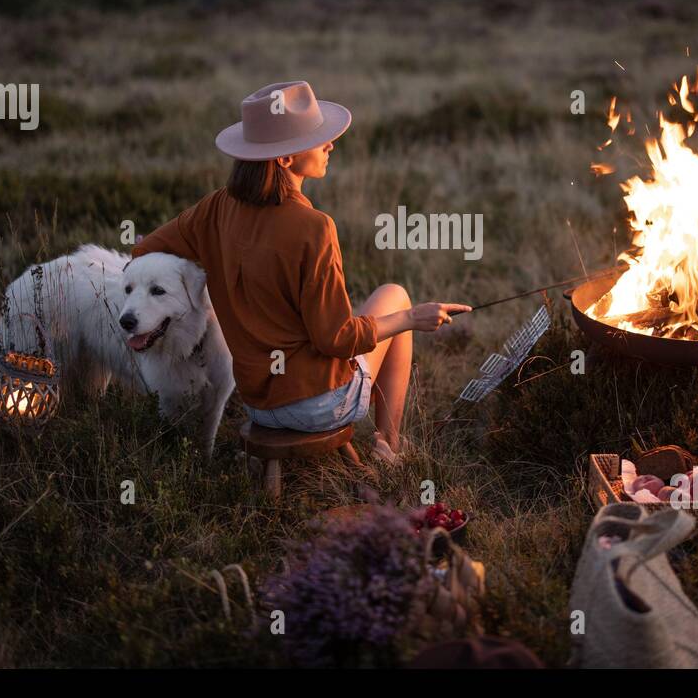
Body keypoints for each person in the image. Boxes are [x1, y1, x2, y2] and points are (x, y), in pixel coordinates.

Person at [131, 80, 469, 462]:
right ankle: (388, 446)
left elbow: (144, 248)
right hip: (316, 406)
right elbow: (337, 339)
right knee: (396, 296)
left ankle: (384, 445)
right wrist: (411, 318)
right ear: (285, 159)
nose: (330, 145)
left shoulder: (215, 208)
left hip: (259, 403)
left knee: (376, 311)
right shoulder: (314, 227)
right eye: (318, 138)